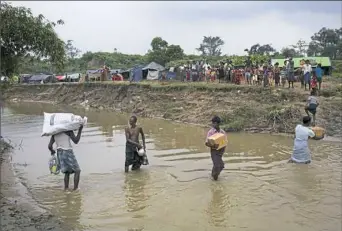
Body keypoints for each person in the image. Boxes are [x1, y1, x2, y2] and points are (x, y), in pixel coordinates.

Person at [48, 125, 83, 190]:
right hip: (67, 151)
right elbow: (76, 141)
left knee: (67, 172)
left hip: (59, 152)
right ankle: (75, 190)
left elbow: (49, 146)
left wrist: (52, 151)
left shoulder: (54, 132)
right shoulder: (68, 130)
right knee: (77, 171)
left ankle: (66, 189)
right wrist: (80, 130)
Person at [205, 116, 226, 181]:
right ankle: (215, 179)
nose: (213, 124)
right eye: (213, 123)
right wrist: (213, 145)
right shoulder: (210, 132)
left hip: (221, 151)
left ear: (218, 123)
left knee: (219, 165)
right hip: (214, 151)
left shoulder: (222, 132)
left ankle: (213, 175)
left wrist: (222, 147)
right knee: (218, 165)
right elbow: (206, 143)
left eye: (215, 123)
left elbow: (225, 142)